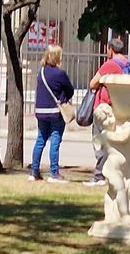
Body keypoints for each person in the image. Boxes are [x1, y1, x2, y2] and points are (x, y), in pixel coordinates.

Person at [88, 33, 130, 184]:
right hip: (118, 106)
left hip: (104, 107)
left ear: (110, 49)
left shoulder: (110, 64)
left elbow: (92, 83)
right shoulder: (127, 64)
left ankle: (99, 175)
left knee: (100, 141)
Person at [30, 43, 75, 181]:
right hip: (55, 111)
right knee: (55, 141)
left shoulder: (41, 72)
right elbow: (70, 90)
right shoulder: (60, 74)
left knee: (40, 140)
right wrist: (63, 97)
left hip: (41, 111)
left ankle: (34, 171)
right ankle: (54, 173)